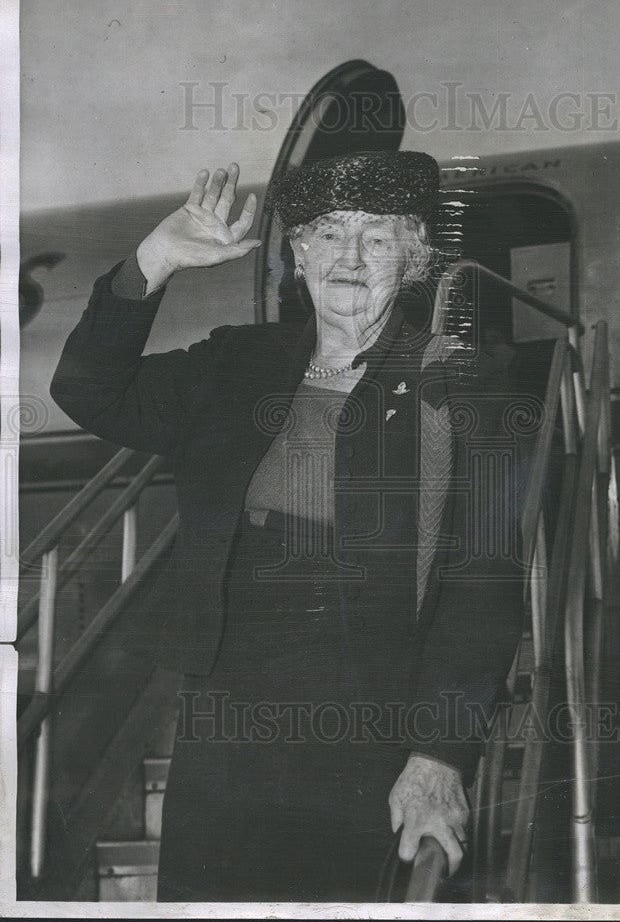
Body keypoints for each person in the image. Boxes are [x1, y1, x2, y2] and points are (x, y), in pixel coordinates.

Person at [50, 151, 524, 902]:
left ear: (413, 259)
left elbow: (485, 583)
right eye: (330, 234)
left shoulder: (460, 380)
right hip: (225, 706)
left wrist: (438, 754)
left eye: (376, 237)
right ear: (298, 254)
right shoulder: (235, 361)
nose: (350, 255)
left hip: (371, 706)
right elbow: (84, 388)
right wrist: (155, 261)